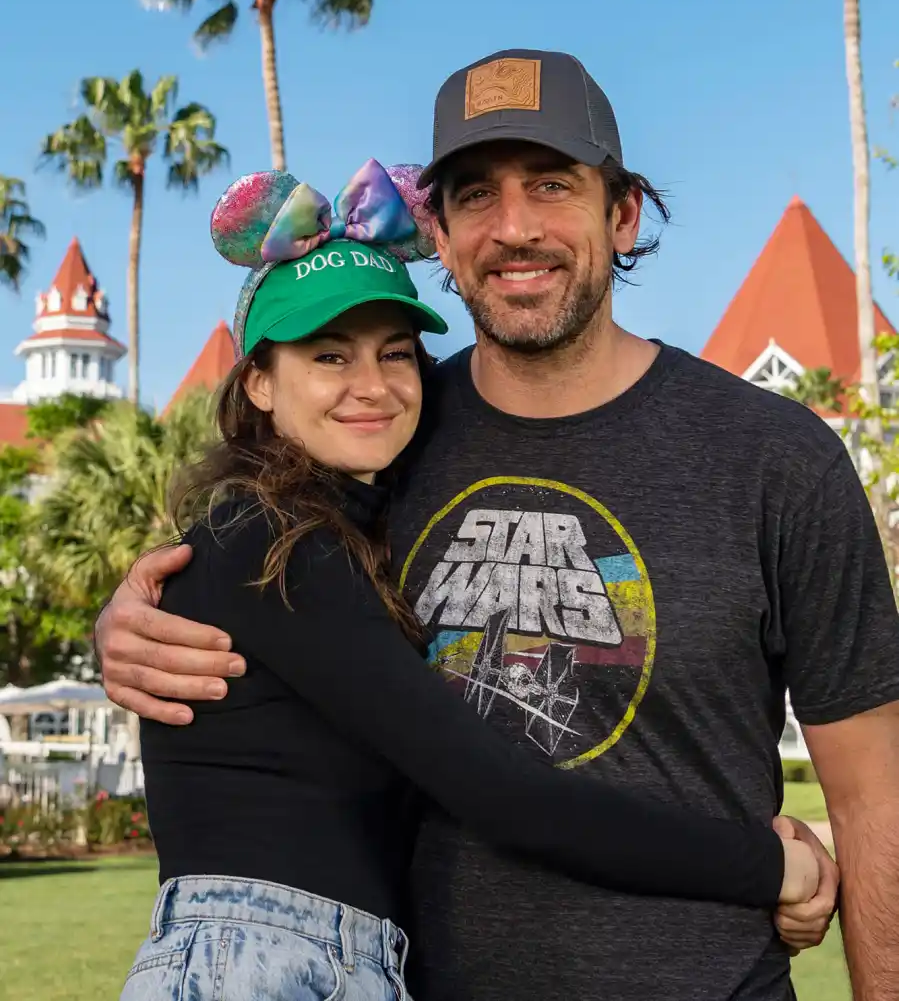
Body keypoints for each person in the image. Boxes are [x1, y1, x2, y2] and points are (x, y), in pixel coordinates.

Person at [96, 49, 899, 1001]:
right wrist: (131, 617)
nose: (514, 227)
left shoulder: (774, 454)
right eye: (475, 194)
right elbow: (253, 574)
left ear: (623, 210)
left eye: (552, 184)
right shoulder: (381, 441)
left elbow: (871, 794)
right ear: (434, 230)